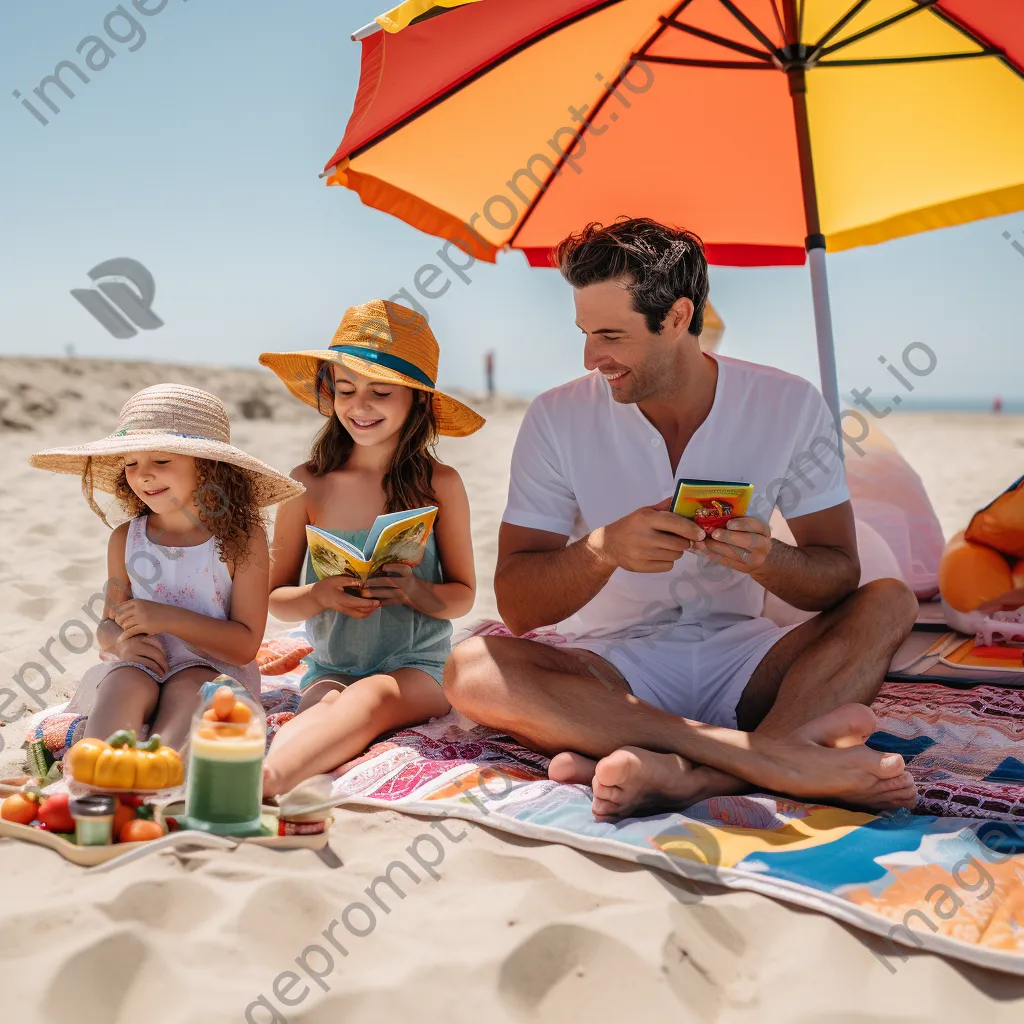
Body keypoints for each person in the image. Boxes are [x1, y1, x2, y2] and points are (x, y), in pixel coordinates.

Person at [443, 218, 920, 819]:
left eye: (611, 336)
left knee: (890, 601)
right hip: (610, 670)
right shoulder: (555, 417)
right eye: (585, 334)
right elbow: (517, 605)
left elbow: (837, 576)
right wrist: (603, 551)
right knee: (472, 668)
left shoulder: (789, 403)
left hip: (746, 659)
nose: (592, 358)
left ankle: (690, 778)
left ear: (675, 317)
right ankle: (771, 758)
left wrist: (769, 559)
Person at [258, 300, 484, 797]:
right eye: (345, 390)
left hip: (417, 667)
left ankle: (263, 784)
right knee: (321, 705)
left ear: (417, 402)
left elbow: (463, 595)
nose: (360, 406)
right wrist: (319, 596)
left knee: (373, 698)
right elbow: (273, 598)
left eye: (380, 392)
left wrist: (415, 591)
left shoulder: (439, 484)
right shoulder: (307, 484)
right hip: (331, 664)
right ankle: (265, 774)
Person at [30, 384, 304, 749]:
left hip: (215, 667)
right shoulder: (126, 538)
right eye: (131, 463)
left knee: (194, 691)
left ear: (208, 468)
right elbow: (110, 625)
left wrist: (165, 617)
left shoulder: (241, 539)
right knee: (121, 685)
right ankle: (92, 773)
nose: (143, 475)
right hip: (143, 664)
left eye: (161, 461)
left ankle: (160, 773)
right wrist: (121, 646)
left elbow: (244, 647)